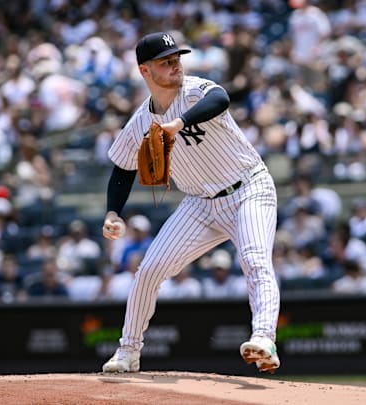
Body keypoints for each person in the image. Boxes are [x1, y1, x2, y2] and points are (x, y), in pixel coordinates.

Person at [101, 32, 280, 374]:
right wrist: (113, 212)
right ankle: (128, 351)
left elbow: (221, 98)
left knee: (255, 258)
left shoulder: (196, 89)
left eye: (176, 59)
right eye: (165, 62)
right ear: (145, 71)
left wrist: (178, 123)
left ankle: (263, 338)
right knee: (149, 270)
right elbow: (122, 171)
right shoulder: (140, 121)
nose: (174, 66)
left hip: (249, 189)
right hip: (199, 203)